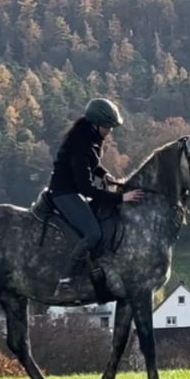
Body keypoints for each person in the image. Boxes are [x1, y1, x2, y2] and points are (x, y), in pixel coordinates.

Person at [48, 98, 144, 301]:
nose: (110, 131)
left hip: (74, 191)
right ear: (96, 124)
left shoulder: (89, 139)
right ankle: (67, 280)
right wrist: (120, 198)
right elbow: (86, 187)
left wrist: (104, 174)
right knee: (93, 233)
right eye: (108, 127)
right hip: (64, 193)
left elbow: (93, 164)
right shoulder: (80, 145)